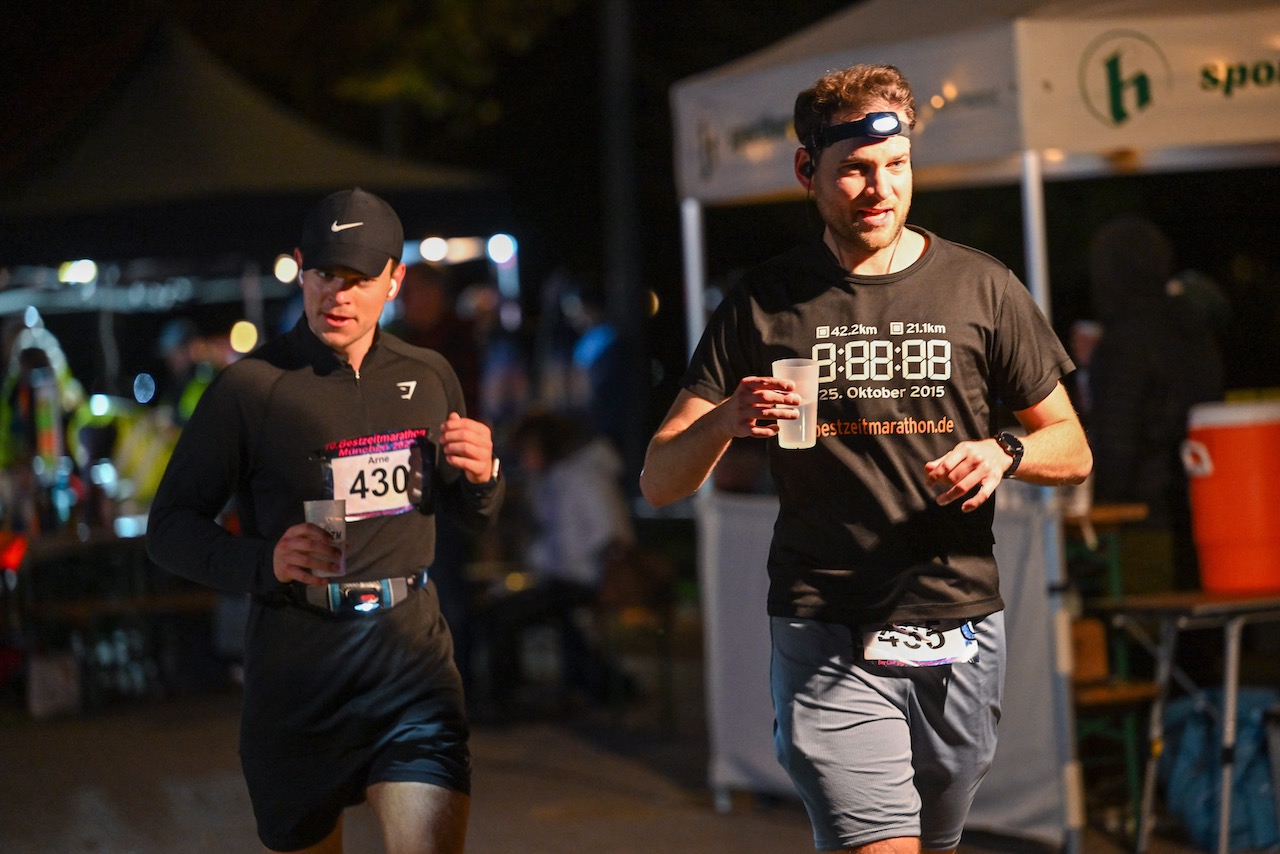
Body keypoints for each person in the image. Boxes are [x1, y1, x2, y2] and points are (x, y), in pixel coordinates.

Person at [639, 65, 1091, 854]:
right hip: (826, 624)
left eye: (896, 166)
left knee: (936, 835)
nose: (879, 188)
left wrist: (1004, 452)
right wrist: (725, 421)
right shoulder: (762, 300)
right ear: (807, 172)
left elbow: (1073, 445)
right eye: (854, 168)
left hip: (958, 622)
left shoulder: (980, 287)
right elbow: (658, 478)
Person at [146, 187, 503, 854]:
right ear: (300, 268)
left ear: (394, 281)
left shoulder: (429, 376)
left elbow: (471, 511)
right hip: (298, 672)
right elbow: (168, 527)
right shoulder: (250, 388)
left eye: (359, 278)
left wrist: (486, 477)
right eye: (324, 274)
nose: (338, 295)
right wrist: (263, 561)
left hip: (410, 663)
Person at [1086, 214, 1224, 591]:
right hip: (1205, 510)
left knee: (1140, 629)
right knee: (1194, 634)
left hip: (1144, 517)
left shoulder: (1126, 341)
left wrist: (1101, 505)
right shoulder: (1193, 331)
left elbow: (1118, 435)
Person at [479, 411, 637, 717]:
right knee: (505, 609)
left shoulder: (585, 476)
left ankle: (506, 699)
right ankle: (575, 686)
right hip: (564, 577)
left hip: (585, 579)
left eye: (528, 450)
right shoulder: (555, 478)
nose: (524, 459)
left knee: (505, 616)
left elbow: (609, 536)